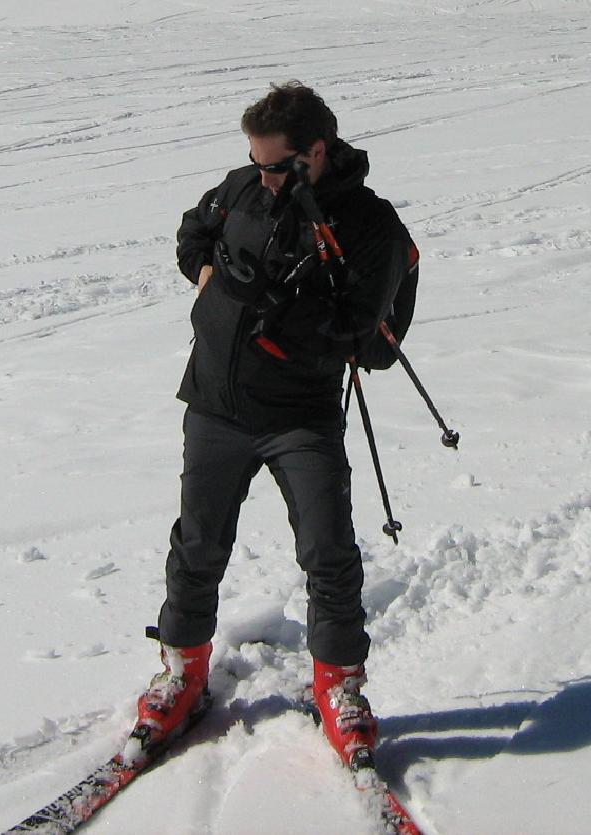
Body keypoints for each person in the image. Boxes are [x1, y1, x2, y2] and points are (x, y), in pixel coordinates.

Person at [130, 81, 408, 765]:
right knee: (197, 545)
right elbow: (193, 231)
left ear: (316, 152)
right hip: (215, 404)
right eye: (254, 161)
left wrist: (287, 311)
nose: (262, 177)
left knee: (328, 551)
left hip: (299, 415)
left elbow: (362, 330)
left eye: (275, 165)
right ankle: (182, 671)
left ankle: (339, 685)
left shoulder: (368, 223)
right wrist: (205, 271)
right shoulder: (242, 188)